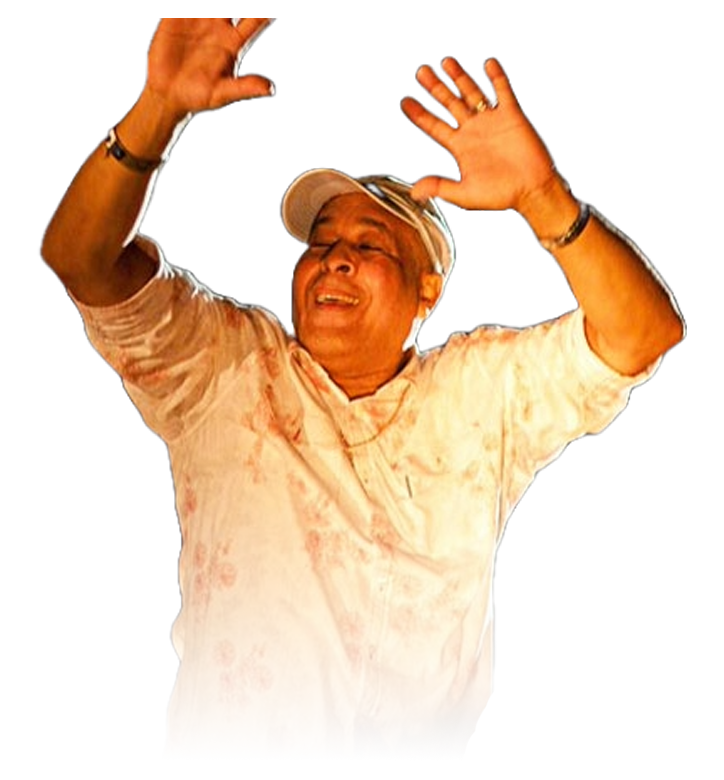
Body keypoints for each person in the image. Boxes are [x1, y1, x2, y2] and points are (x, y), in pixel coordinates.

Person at [40, 19, 684, 761]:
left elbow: (643, 333)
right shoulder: (231, 367)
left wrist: (543, 197)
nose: (335, 259)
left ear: (426, 292)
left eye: (369, 245)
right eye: (320, 244)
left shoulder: (474, 397)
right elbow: (81, 259)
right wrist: (158, 109)